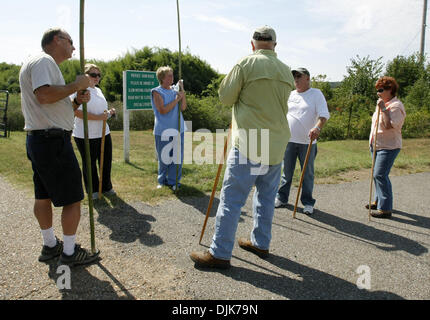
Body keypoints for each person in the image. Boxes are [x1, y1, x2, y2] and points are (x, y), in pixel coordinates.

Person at [190, 26, 295, 269]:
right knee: (266, 198)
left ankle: (220, 253)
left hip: (249, 143)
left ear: (252, 44)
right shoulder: (286, 71)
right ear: (275, 46)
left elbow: (225, 98)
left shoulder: (245, 63)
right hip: (277, 143)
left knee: (231, 199)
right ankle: (261, 242)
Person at [19, 28, 100, 266]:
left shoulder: (35, 62)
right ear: (57, 40)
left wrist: (75, 100)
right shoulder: (45, 61)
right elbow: (44, 95)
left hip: (39, 139)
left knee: (43, 196)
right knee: (73, 198)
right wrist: (76, 85)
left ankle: (50, 245)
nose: (74, 48)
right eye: (70, 42)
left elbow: (49, 102)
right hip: (52, 140)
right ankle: (69, 253)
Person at [274, 67, 330, 214]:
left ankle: (308, 202)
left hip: (308, 142)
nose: (296, 80)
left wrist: (317, 128)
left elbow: (324, 115)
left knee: (307, 174)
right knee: (286, 172)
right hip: (288, 140)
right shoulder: (291, 95)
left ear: (307, 78)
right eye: (295, 77)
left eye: (300, 76)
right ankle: (282, 197)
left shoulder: (316, 94)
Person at [72, 63, 116, 200]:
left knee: (106, 160)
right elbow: (75, 111)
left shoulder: (98, 90)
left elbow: (101, 111)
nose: (97, 78)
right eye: (93, 75)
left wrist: (109, 113)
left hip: (103, 132)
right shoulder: (79, 90)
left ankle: (107, 187)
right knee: (89, 164)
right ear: (85, 76)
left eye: (98, 75)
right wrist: (98, 118)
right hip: (85, 133)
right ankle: (93, 190)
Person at [367, 76, 406, 218]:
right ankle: (378, 201)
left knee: (380, 175)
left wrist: (384, 109)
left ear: (390, 90)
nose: (378, 92)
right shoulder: (382, 103)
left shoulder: (395, 106)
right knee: (376, 175)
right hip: (376, 145)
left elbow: (389, 125)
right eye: (377, 89)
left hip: (388, 146)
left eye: (381, 89)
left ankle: (386, 209)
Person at [150, 66, 187, 190]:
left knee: (177, 158)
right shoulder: (156, 92)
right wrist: (177, 99)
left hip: (178, 129)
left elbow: (183, 108)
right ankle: (162, 180)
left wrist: (182, 92)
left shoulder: (175, 90)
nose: (172, 78)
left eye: (172, 75)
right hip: (163, 130)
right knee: (164, 157)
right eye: (169, 75)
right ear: (162, 78)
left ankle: (174, 181)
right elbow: (163, 110)